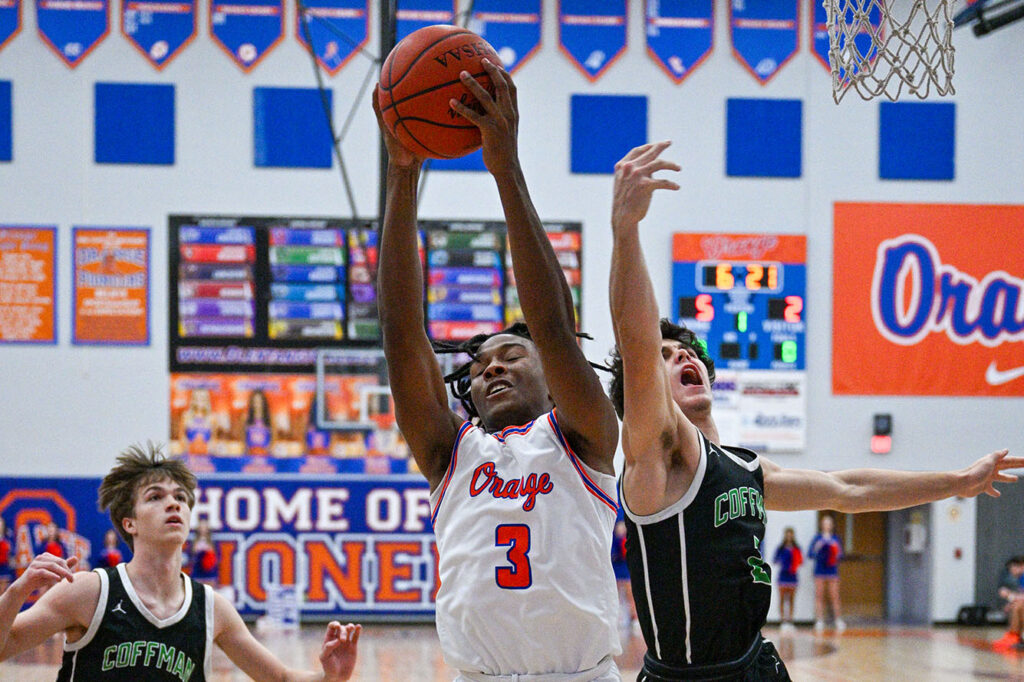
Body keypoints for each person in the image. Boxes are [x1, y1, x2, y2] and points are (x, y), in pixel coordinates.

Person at [606, 140, 1023, 681]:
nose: (680, 353)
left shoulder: (748, 469)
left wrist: (957, 481)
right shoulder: (656, 458)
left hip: (755, 666)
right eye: (664, 356)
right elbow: (636, 347)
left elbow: (849, 488)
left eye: (685, 350)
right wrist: (625, 231)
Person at [373, 57, 622, 680]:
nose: (490, 369)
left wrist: (504, 167)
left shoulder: (585, 437)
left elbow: (555, 331)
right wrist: (403, 176)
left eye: (512, 355)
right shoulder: (450, 453)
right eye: (480, 367)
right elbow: (402, 335)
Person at [0, 442, 361, 681]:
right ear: (130, 522)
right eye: (155, 497)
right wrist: (17, 592)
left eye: (180, 498)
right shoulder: (89, 592)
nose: (173, 504)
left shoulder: (212, 609)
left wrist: (329, 678)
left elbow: (280, 678)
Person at [809, 514, 844, 633]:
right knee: (819, 596)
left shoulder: (835, 538)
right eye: (824, 523)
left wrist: (836, 550)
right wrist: (817, 548)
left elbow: (840, 555)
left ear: (832, 525)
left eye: (829, 523)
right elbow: (810, 554)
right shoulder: (817, 538)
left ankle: (838, 619)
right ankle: (819, 620)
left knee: (834, 596)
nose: (827, 525)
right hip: (819, 570)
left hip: (832, 571)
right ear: (821, 525)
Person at [772, 527, 802, 635]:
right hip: (782, 577)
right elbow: (774, 560)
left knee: (791, 599)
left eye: (791, 534)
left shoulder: (797, 548)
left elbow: (801, 561)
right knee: (782, 599)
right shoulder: (780, 548)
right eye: (787, 534)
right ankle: (783, 621)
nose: (789, 537)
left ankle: (790, 621)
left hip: (793, 576)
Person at [993, 555, 1024, 650]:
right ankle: (1014, 636)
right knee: (1016, 605)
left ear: (1021, 566)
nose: (1011, 571)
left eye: (1012, 568)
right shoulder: (1021, 578)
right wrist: (1011, 601)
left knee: (1017, 606)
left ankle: (1013, 636)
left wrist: (1009, 595)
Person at [188, 518, 218, 586]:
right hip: (198, 569)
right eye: (201, 527)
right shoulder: (194, 541)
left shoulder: (212, 541)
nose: (203, 529)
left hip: (209, 570)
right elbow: (191, 554)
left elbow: (215, 555)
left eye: (205, 527)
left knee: (210, 590)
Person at [0, 517, 13, 593]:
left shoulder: (7, 538)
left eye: (1, 523)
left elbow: (11, 552)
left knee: (3, 589)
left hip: (4, 567)